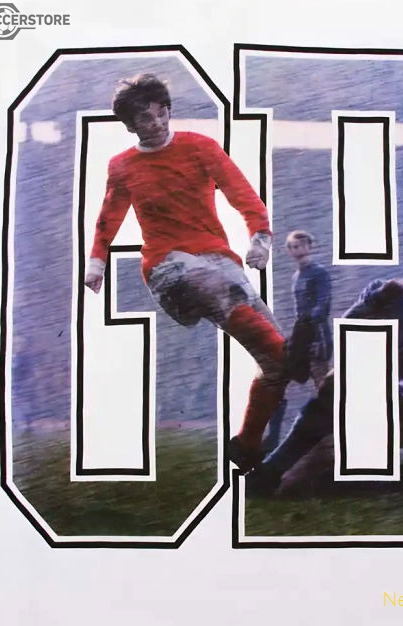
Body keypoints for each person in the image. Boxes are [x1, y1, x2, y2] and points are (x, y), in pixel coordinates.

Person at [84, 73, 287, 471]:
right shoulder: (123, 166)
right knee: (209, 283)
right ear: (130, 126)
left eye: (162, 113)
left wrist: (259, 239)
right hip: (168, 266)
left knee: (278, 363)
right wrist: (97, 262)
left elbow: (243, 195)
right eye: (145, 118)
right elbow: (109, 216)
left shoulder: (199, 146)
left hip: (219, 262)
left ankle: (247, 446)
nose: (157, 123)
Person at [246, 211, 403, 496]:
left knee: (344, 386)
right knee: (294, 487)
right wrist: (376, 301)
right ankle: (382, 476)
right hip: (360, 400)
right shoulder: (390, 291)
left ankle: (378, 471)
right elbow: (348, 331)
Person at [262, 230, 333, 453]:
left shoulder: (319, 272)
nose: (297, 250)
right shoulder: (295, 276)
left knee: (322, 386)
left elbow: (323, 303)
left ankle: (331, 442)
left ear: (310, 246)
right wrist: (298, 333)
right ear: (288, 250)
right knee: (279, 381)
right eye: (293, 247)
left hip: (317, 334)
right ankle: (272, 438)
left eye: (301, 245)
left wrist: (309, 324)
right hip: (301, 334)